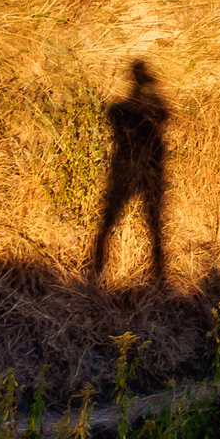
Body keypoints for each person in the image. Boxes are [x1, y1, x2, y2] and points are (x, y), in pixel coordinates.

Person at [88, 59, 171, 286]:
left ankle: (95, 270)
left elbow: (164, 116)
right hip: (136, 171)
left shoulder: (129, 108)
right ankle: (157, 275)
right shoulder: (129, 109)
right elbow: (162, 116)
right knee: (149, 223)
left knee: (119, 221)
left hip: (133, 171)